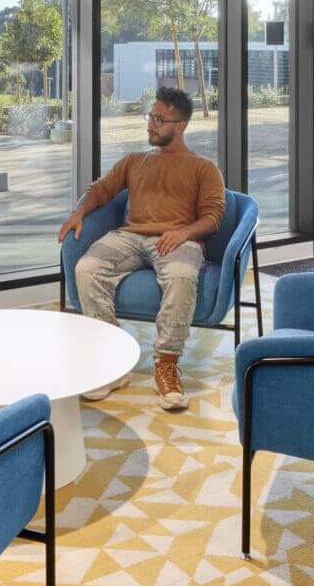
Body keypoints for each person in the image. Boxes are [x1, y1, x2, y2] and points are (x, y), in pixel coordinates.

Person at [58, 86, 225, 413]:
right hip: (131, 236)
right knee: (86, 268)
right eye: (150, 117)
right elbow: (100, 190)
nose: (151, 124)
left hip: (177, 239)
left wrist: (183, 233)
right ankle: (112, 359)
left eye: (159, 119)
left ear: (180, 125)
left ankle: (166, 365)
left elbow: (213, 217)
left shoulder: (203, 168)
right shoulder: (135, 161)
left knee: (180, 275)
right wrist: (79, 211)